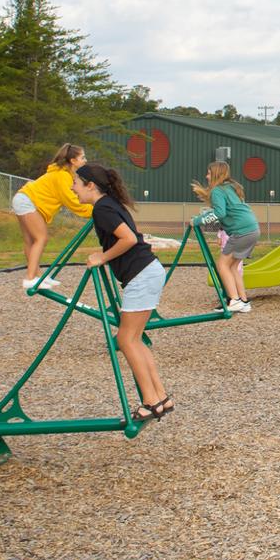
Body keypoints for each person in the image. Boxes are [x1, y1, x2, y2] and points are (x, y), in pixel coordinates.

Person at [73, 163, 170, 423]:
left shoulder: (102, 208)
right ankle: (160, 397)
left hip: (141, 273)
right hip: (148, 271)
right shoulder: (110, 204)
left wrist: (101, 258)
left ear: (90, 185)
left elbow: (127, 239)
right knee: (134, 338)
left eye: (76, 183)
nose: (73, 188)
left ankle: (150, 401)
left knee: (126, 340)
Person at [11, 143, 94, 292]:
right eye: (82, 157)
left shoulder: (63, 173)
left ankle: (36, 275)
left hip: (24, 198)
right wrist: (94, 210)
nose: (85, 160)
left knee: (30, 240)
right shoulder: (62, 176)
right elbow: (72, 202)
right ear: (73, 161)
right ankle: (30, 278)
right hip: (28, 200)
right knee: (41, 238)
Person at [191, 161, 257, 314]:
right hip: (252, 229)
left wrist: (197, 221)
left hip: (241, 231)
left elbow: (219, 213)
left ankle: (234, 301)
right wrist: (203, 217)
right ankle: (243, 301)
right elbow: (221, 211)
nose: (206, 176)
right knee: (233, 267)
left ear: (214, 174)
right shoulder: (232, 188)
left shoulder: (217, 191)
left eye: (208, 173)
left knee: (222, 266)